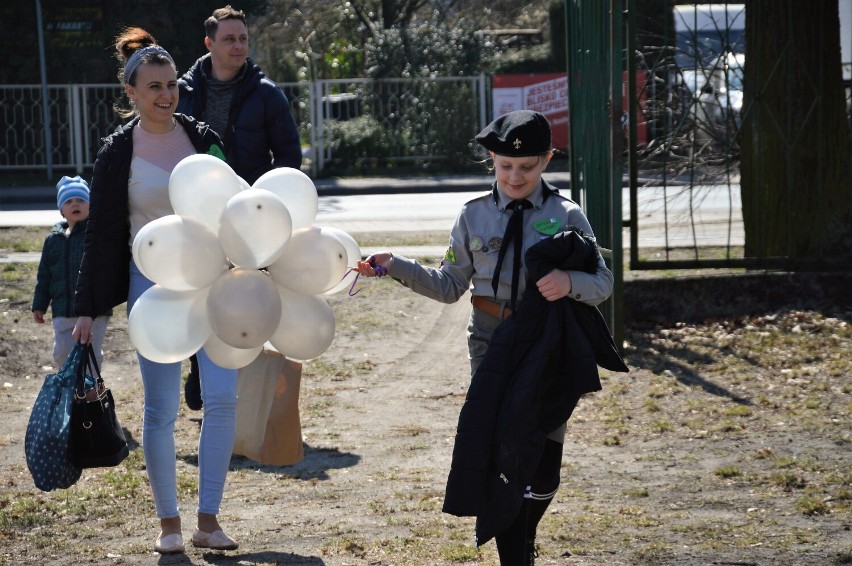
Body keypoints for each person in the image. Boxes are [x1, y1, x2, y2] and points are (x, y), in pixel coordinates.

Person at [354, 110, 628, 565]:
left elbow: (602, 282)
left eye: (527, 167)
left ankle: (522, 533)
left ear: (547, 160)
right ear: (491, 159)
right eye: (504, 166)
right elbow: (448, 285)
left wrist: (568, 280)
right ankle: (514, 554)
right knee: (506, 453)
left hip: (548, 343)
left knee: (543, 465)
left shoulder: (566, 213)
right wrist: (395, 263)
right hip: (490, 342)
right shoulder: (472, 215)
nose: (515, 176)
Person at [72, 27, 239, 555]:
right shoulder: (117, 152)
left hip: (214, 281)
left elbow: (236, 206)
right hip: (153, 289)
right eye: (154, 87)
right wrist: (87, 309)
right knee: (162, 410)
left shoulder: (201, 136)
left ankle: (208, 520)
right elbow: (101, 236)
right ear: (132, 93)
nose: (167, 94)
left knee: (223, 400)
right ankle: (169, 523)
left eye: (172, 84)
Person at [177, 4, 303, 411]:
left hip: (250, 221)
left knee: (243, 300)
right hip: (197, 215)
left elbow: (288, 157)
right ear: (209, 43)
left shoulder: (266, 93)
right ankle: (200, 372)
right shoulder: (184, 90)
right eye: (229, 39)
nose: (238, 45)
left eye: (243, 38)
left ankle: (238, 391)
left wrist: (265, 204)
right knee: (200, 294)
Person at [32, 176, 110, 368]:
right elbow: (44, 276)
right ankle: (70, 389)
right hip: (62, 309)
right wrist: (39, 304)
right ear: (61, 210)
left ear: (90, 206)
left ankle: (90, 392)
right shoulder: (53, 240)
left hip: (94, 310)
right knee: (61, 353)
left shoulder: (95, 236)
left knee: (90, 353)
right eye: (69, 201)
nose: (75, 204)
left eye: (81, 200)